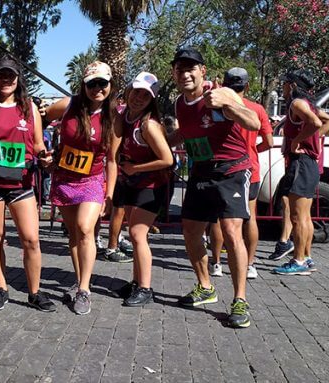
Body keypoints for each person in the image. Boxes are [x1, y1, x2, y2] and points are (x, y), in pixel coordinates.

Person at [167, 47, 260, 328]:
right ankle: (205, 287)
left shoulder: (221, 93)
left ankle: (240, 300)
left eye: (191, 68)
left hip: (232, 170)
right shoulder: (179, 104)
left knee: (232, 231)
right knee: (191, 231)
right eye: (180, 69)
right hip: (201, 170)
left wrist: (226, 104)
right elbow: (186, 132)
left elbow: (253, 122)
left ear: (202, 71)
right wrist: (156, 143)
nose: (185, 74)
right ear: (174, 73)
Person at [0, 56, 56, 311]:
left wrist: (44, 156)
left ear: (18, 79)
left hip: (21, 183)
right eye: (1, 75)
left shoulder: (29, 107)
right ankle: (1, 288)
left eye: (11, 76)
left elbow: (38, 144)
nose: (6, 80)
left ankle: (34, 292)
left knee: (31, 240)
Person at [45, 61, 119, 315]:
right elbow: (38, 119)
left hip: (93, 180)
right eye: (92, 84)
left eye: (102, 83)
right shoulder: (67, 106)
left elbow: (112, 160)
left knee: (86, 229)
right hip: (64, 179)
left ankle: (85, 289)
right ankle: (79, 282)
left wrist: (109, 194)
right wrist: (42, 151)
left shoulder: (113, 117)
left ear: (110, 85)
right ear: (84, 86)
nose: (97, 88)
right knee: (74, 234)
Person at [208, 68, 274, 279]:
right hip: (250, 169)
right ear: (246, 86)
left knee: (219, 219)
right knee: (250, 218)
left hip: (225, 167)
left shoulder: (220, 107)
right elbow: (269, 142)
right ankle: (250, 264)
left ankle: (216, 263)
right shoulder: (257, 109)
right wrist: (254, 150)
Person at [115, 72, 173, 306]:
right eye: (136, 92)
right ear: (129, 91)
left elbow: (167, 159)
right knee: (133, 233)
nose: (139, 98)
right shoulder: (124, 115)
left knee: (138, 235)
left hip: (151, 184)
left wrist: (136, 168)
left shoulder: (148, 125)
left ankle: (146, 288)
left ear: (152, 100)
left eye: (145, 95)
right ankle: (136, 281)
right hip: (131, 182)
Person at [273, 69, 329, 276]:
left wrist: (299, 141)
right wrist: (312, 139)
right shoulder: (310, 106)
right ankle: (306, 258)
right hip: (308, 164)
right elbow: (325, 122)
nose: (283, 88)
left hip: (301, 163)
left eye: (286, 84)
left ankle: (298, 260)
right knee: (304, 216)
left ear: (293, 85)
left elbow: (317, 123)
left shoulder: (297, 104)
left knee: (298, 217)